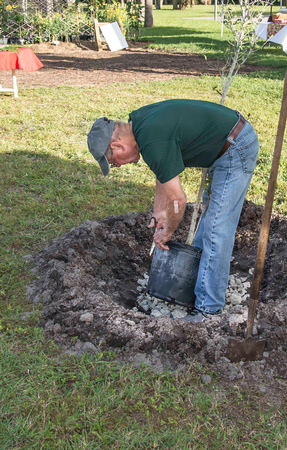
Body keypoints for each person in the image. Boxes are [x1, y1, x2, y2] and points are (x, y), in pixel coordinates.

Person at [87, 99, 259, 323]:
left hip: (236, 147)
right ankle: (198, 288)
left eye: (113, 161)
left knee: (217, 228)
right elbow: (163, 167)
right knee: (210, 225)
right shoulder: (139, 124)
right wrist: (160, 211)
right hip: (226, 143)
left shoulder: (151, 138)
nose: (117, 166)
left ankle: (208, 310)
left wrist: (168, 230)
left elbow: (178, 199)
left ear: (117, 146)